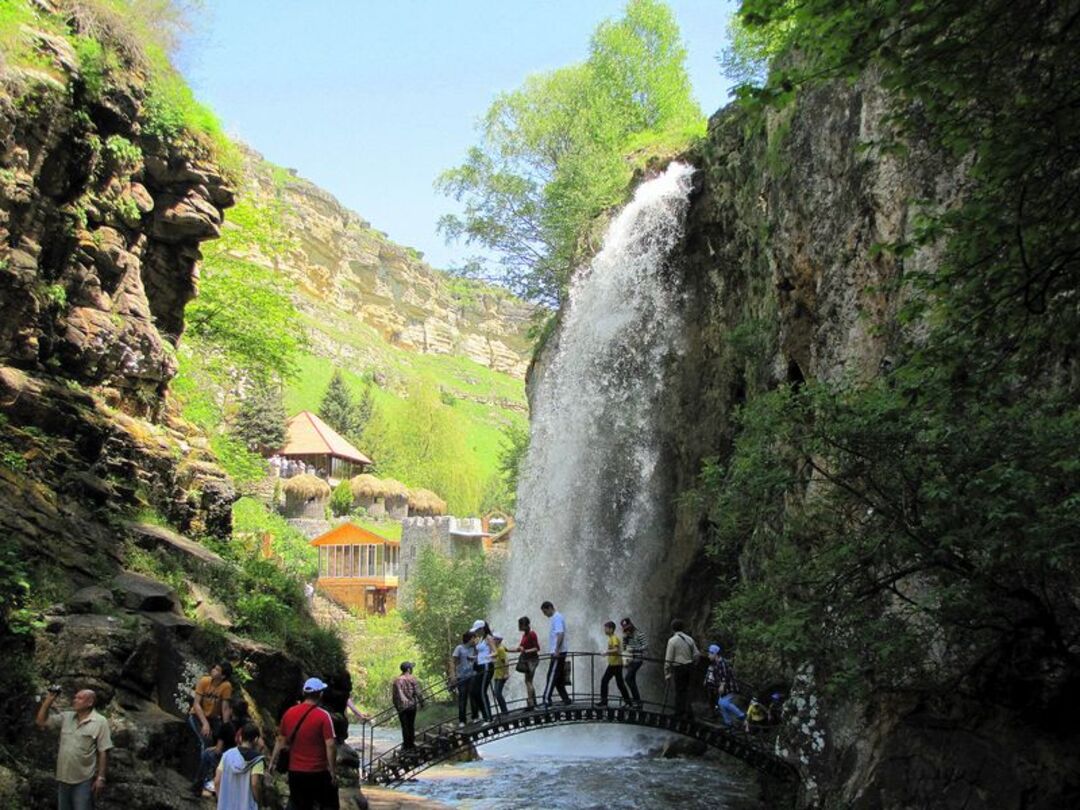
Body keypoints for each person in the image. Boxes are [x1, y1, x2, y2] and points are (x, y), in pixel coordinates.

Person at [35, 685, 113, 810]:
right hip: (63, 777)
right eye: (75, 697)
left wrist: (101, 778)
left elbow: (103, 750)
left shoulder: (100, 721)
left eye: (80, 698)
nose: (75, 700)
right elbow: (41, 722)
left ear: (90, 702)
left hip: (83, 780)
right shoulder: (67, 717)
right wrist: (49, 700)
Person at [269, 677, 338, 810]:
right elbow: (330, 745)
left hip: (295, 772)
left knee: (299, 805)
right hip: (318, 772)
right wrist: (333, 772)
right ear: (320, 694)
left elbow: (280, 740)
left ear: (304, 693)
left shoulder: (289, 713)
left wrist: (272, 762)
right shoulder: (323, 716)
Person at [189, 662, 234, 793]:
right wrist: (204, 723)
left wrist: (225, 731)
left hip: (214, 719)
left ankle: (213, 779)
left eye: (217, 669)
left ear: (223, 675)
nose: (213, 670)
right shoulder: (204, 681)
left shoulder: (226, 686)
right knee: (207, 742)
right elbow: (196, 704)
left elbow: (225, 709)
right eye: (214, 667)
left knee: (221, 744)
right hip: (197, 716)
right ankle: (203, 781)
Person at [214, 722, 265, 810]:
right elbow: (254, 783)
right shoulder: (257, 760)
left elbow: (217, 780)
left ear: (240, 737)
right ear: (256, 739)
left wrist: (221, 800)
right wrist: (258, 802)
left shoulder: (227, 755)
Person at [663, 620, 699, 718]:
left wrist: (667, 673)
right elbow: (697, 654)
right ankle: (689, 713)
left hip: (679, 667)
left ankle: (679, 712)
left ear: (672, 628)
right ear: (683, 628)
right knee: (687, 690)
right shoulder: (689, 639)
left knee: (679, 691)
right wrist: (693, 663)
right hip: (689, 667)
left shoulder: (672, 641)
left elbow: (668, 659)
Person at [540, 601, 571, 708]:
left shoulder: (557, 617)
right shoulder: (557, 617)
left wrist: (557, 650)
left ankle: (546, 699)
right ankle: (566, 699)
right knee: (558, 679)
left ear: (549, 608)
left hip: (558, 653)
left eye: (545, 612)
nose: (545, 615)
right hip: (559, 652)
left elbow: (560, 634)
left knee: (551, 676)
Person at [596, 621, 633, 707]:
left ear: (611, 629)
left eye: (606, 628)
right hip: (614, 664)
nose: (604, 630)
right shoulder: (611, 638)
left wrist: (606, 652)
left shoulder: (614, 638)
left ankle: (604, 701)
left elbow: (616, 650)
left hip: (615, 664)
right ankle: (628, 702)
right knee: (619, 684)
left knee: (605, 681)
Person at [509, 616, 540, 710]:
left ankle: (531, 703)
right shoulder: (525, 634)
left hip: (532, 660)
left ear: (525, 625)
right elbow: (521, 648)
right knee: (528, 681)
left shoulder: (532, 633)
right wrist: (507, 650)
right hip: (527, 660)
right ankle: (533, 703)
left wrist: (525, 651)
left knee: (528, 681)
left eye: (520, 625)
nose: (518, 626)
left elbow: (537, 648)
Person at [391, 662, 424, 750]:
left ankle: (406, 745)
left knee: (404, 726)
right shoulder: (412, 679)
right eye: (411, 668)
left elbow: (394, 696)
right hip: (412, 706)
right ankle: (411, 744)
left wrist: (396, 706)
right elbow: (418, 693)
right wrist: (422, 702)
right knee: (411, 725)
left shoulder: (396, 680)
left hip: (401, 707)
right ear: (408, 669)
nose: (412, 669)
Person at [712, 645, 746, 729]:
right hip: (725, 689)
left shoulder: (722, 663)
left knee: (723, 703)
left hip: (730, 688)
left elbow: (725, 675)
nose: (708, 655)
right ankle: (728, 723)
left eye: (710, 654)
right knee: (721, 704)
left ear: (715, 654)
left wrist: (722, 685)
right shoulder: (717, 664)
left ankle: (741, 715)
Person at [449, 631, 476, 727]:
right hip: (461, 677)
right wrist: (453, 675)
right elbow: (453, 662)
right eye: (474, 638)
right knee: (462, 698)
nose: (475, 640)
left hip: (472, 675)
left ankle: (475, 717)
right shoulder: (459, 648)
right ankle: (462, 721)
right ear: (469, 638)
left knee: (473, 696)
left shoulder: (474, 648)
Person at [469, 620, 493, 723]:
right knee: (474, 692)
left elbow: (495, 652)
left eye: (477, 630)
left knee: (481, 692)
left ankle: (488, 718)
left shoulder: (488, 638)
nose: (476, 633)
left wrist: (488, 657)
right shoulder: (481, 639)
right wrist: (474, 658)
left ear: (482, 629)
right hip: (480, 666)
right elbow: (480, 654)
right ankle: (485, 715)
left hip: (487, 666)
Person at [620, 617, 647, 708]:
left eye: (628, 628)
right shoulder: (625, 636)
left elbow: (646, 646)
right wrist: (624, 659)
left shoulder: (639, 634)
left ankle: (637, 701)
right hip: (629, 661)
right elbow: (624, 649)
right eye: (625, 629)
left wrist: (635, 649)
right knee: (632, 680)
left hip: (637, 660)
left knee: (628, 678)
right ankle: (637, 702)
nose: (627, 631)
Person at [491, 634, 510, 715]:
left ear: (498, 640)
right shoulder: (498, 649)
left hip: (501, 675)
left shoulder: (501, 649)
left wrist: (506, 673)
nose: (492, 640)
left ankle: (505, 712)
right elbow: (497, 660)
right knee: (496, 693)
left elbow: (505, 662)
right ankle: (504, 711)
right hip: (497, 674)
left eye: (494, 639)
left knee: (498, 693)